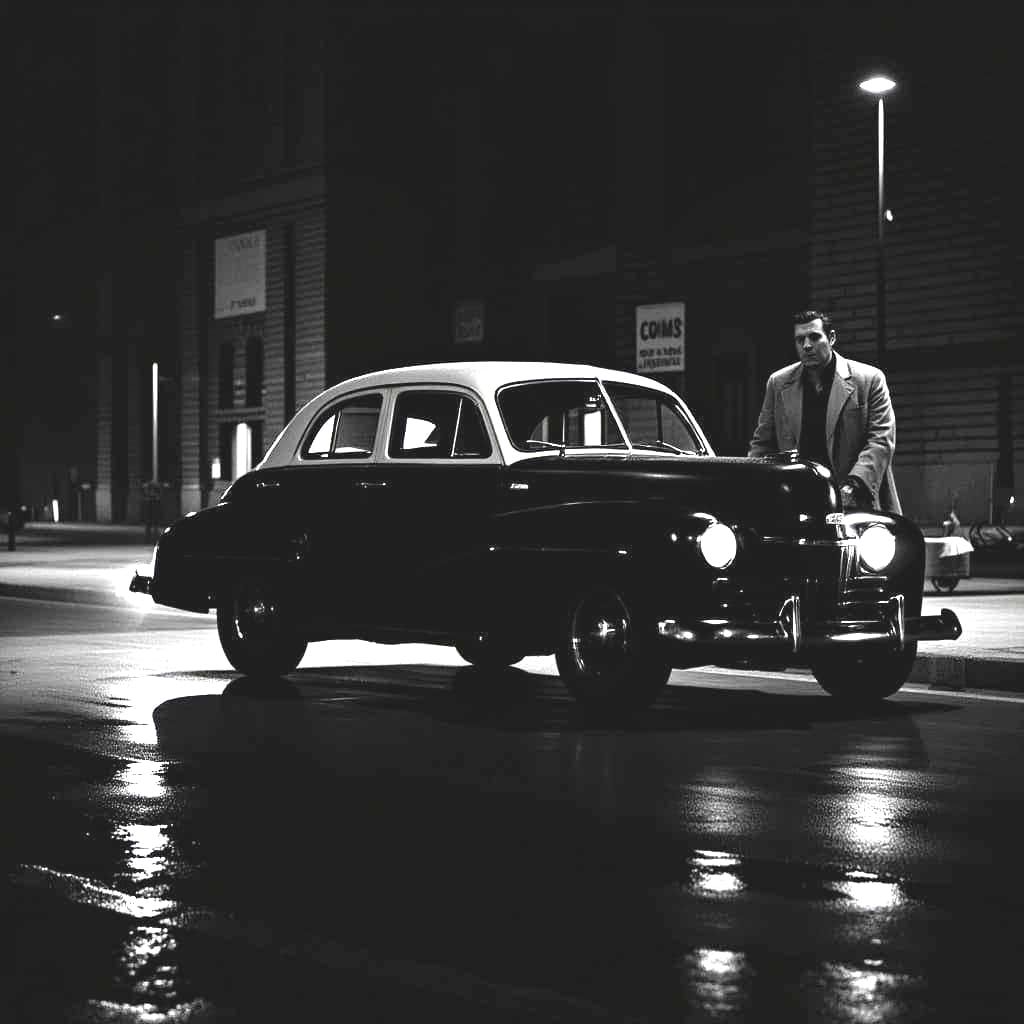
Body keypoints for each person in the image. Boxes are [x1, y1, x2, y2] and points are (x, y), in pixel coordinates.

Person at [748, 309, 901, 513]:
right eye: (800, 340)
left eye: (814, 337)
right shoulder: (778, 383)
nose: (807, 345)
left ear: (831, 338)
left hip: (856, 498)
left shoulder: (869, 379)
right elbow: (763, 444)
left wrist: (853, 485)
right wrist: (750, 483)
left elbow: (881, 440)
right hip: (797, 499)